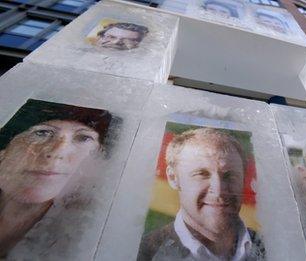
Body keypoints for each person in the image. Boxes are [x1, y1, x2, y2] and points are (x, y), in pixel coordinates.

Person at [0, 99, 112, 257]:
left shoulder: (92, 239)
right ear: (3, 151)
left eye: (83, 138)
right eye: (42, 132)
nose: (57, 151)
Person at [138, 128, 265, 261]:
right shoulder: (142, 254)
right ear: (173, 177)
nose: (218, 190)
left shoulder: (273, 247)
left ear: (244, 178)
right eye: (202, 174)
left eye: (230, 175)